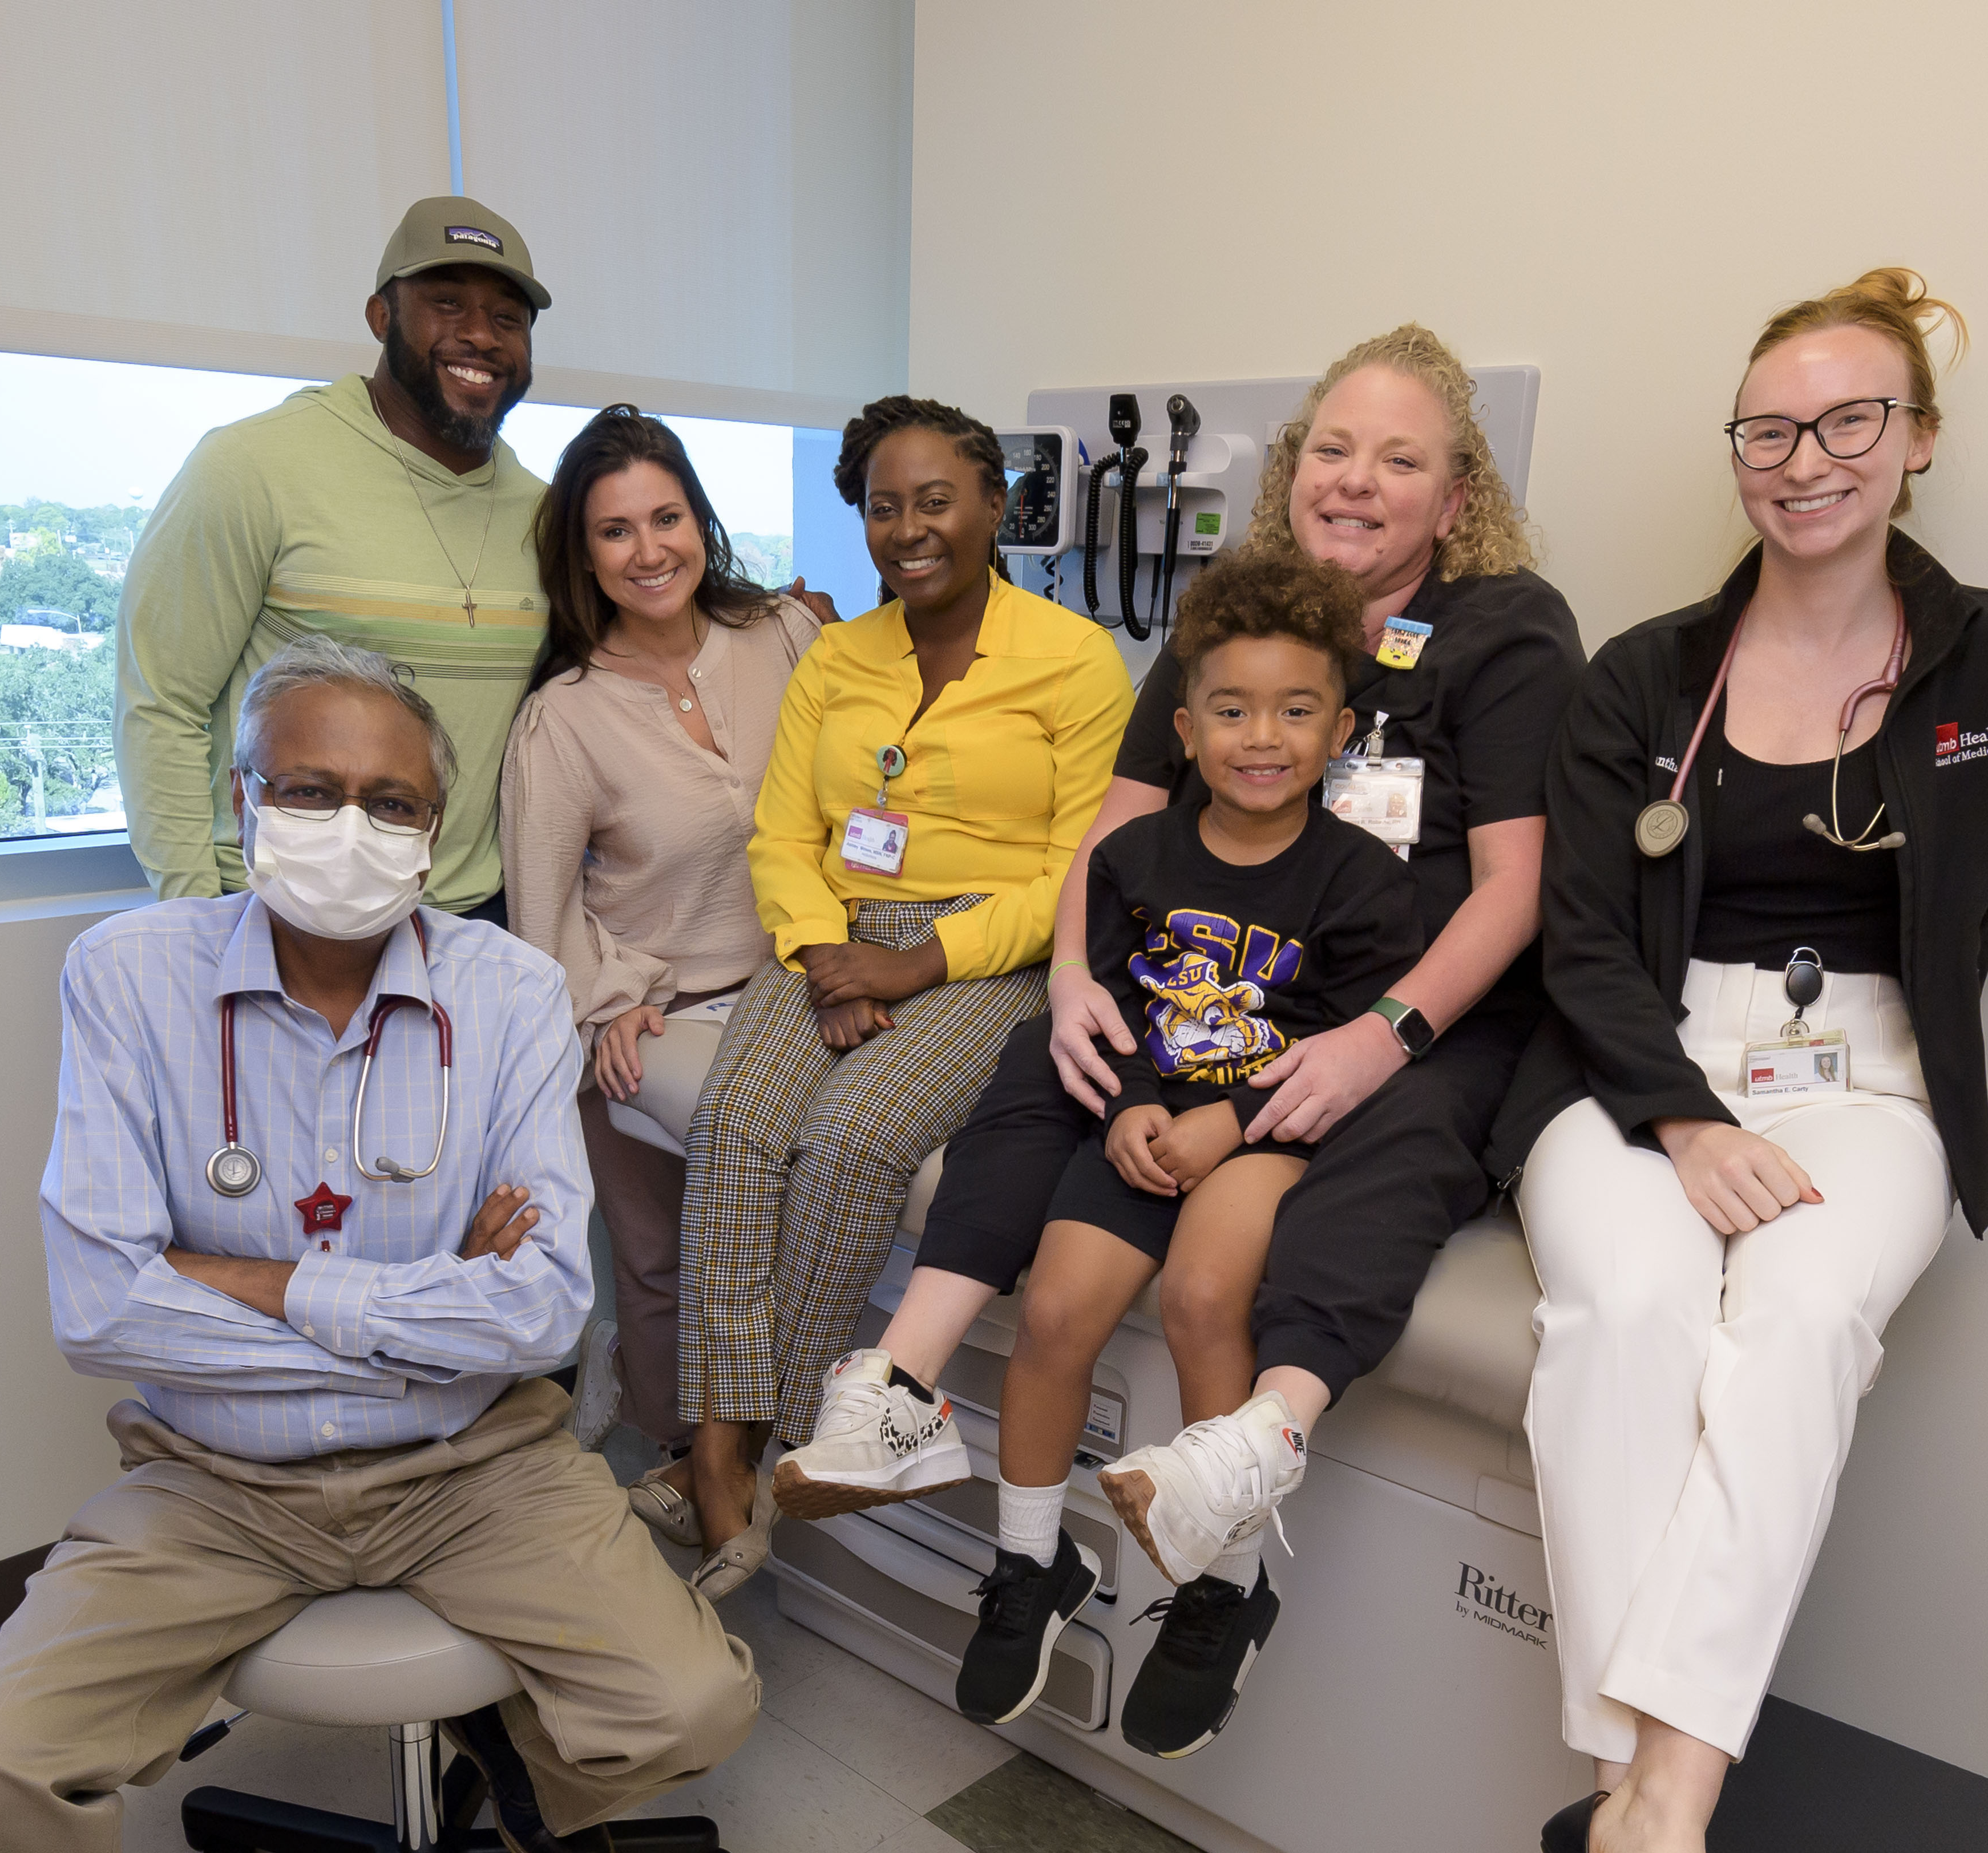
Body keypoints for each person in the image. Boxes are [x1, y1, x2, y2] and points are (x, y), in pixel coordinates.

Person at [0, 638, 758, 1853]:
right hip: (214, 1476)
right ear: (240, 799)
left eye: (389, 802)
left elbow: (537, 1323)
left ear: (436, 836)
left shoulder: (510, 995)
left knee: (689, 1707)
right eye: (305, 788)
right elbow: (101, 1307)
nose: (344, 828)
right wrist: (405, 1283)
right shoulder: (125, 979)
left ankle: (520, 1760)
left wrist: (266, 1279)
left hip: (479, 1457)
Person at [778, 329, 1581, 1650]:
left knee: (1228, 1267)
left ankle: (1225, 1573)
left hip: (1389, 1007)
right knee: (1047, 1056)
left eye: (1400, 460)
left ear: (1457, 495)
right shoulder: (1236, 608)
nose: (1355, 481)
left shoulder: (1504, 634)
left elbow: (1514, 888)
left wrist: (1377, 1043)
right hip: (1204, 971)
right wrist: (1087, 979)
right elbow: (1125, 823)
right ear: (1292, 465)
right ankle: (899, 1391)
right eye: (1332, 449)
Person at [1491, 270, 1988, 1853]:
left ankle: (1645, 1809)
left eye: (1844, 422)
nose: (1800, 459)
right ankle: (1661, 1845)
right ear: (1733, 447)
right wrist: (1675, 1113)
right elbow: (1579, 939)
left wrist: (1793, 1109)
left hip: (1864, 1070)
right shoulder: (1639, 675)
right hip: (1636, 1055)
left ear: (1911, 444)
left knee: (1805, 1315)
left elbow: (1960, 918)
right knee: (1632, 1304)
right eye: (1766, 426)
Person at [955, 547, 1423, 1751]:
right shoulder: (1131, 860)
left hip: (1264, 1134)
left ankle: (1223, 1587)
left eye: (1295, 711)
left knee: (1210, 1292)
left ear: (1341, 731)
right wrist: (1125, 1107)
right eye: (1230, 709)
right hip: (1145, 1120)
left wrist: (1226, 1121)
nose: (1260, 737)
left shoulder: (1364, 882)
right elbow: (1109, 1007)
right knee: (1056, 1310)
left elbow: (1351, 1055)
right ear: (1184, 726)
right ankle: (1027, 1562)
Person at [677, 395, 1133, 1597]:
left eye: (936, 501)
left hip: (984, 954)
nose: (909, 529)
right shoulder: (836, 656)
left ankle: (791, 1437)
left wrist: (918, 963)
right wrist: (828, 951)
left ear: (994, 506)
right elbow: (784, 832)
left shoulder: (1076, 662)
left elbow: (1082, 872)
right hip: (828, 933)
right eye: (885, 506)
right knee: (733, 1125)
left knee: (851, 1141)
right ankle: (716, 1444)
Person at [500, 406, 833, 1495]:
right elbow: (539, 909)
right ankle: (682, 1465)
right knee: (658, 1265)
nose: (650, 552)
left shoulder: (781, 638)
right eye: (615, 531)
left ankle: (771, 1452)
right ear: (581, 554)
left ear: (700, 520)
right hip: (659, 1010)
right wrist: (605, 1006)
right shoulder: (567, 717)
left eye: (667, 517)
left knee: (780, 1243)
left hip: (797, 984)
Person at [116, 196, 551, 921]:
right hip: (273, 911)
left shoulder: (545, 514)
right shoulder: (252, 466)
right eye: (447, 304)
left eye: (507, 319)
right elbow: (160, 702)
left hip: (467, 922)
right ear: (382, 318)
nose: (480, 335)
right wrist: (190, 921)